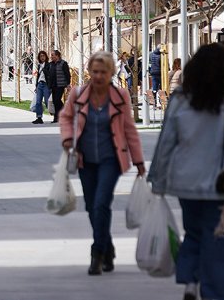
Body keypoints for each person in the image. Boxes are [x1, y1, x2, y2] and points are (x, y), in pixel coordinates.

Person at [148, 43, 224, 300]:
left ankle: (190, 281)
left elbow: (167, 141)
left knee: (193, 231)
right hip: (219, 183)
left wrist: (158, 178)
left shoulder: (179, 99)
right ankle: (215, 292)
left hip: (184, 182)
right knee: (218, 238)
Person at [59, 51, 146, 276]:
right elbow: (66, 118)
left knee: (101, 204)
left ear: (111, 73)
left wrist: (138, 161)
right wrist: (68, 138)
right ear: (89, 72)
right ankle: (107, 247)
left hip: (111, 159)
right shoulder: (78, 95)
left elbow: (128, 128)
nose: (98, 76)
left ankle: (97, 252)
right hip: (84, 159)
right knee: (91, 206)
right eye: (94, 71)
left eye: (103, 72)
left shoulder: (120, 96)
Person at [47, 50, 71, 123]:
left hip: (60, 85)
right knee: (55, 101)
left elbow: (67, 74)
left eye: (53, 55)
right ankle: (56, 117)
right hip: (53, 85)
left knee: (57, 100)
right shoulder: (50, 64)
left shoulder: (63, 63)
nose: (51, 56)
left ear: (57, 56)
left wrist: (68, 84)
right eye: (51, 55)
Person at [31, 50, 51, 124]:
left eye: (43, 56)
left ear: (46, 57)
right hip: (40, 84)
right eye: (41, 56)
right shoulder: (39, 65)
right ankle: (39, 117)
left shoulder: (49, 65)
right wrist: (36, 86)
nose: (42, 57)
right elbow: (38, 76)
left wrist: (44, 68)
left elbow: (49, 74)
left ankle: (56, 114)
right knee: (38, 102)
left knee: (47, 101)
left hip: (46, 85)